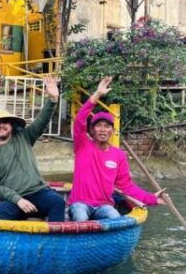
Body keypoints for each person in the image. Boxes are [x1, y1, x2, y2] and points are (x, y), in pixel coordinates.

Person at [68, 76, 164, 221]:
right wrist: (97, 94)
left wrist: (151, 199)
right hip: (80, 204)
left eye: (107, 126)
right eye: (98, 126)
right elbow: (80, 119)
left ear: (112, 131)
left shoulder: (118, 155)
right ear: (92, 130)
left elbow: (127, 186)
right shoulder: (83, 145)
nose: (102, 130)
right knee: (80, 218)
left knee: (115, 217)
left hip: (104, 206)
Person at [0, 75, 65, 221]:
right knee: (0, 212)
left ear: (12, 126)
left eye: (5, 122)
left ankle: (55, 236)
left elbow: (41, 121)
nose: (1, 125)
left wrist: (52, 99)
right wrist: (17, 199)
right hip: (14, 200)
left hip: (38, 192)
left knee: (57, 202)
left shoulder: (24, 137)